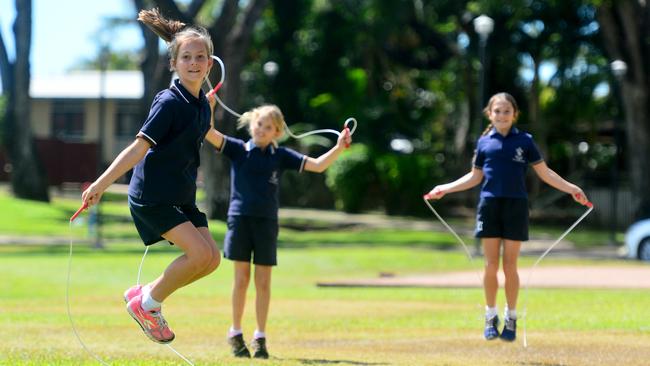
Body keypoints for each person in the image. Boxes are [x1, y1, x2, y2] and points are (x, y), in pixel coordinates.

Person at [81, 9, 221, 344]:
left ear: (210, 63)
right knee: (198, 255)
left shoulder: (202, 104)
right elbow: (138, 148)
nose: (193, 63)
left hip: (181, 197)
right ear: (174, 63)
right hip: (154, 197)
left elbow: (205, 133)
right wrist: (101, 184)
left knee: (212, 260)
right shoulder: (168, 102)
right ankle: (147, 305)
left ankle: (145, 293)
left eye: (200, 57)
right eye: (185, 57)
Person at [425, 92, 589, 342]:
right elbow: (474, 177)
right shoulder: (484, 143)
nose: (502, 115)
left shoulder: (525, 141)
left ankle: (511, 315)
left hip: (516, 206)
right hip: (490, 206)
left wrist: (571, 188)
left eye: (506, 111)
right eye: (497, 111)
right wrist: (444, 188)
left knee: (509, 265)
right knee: (490, 264)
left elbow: (545, 173)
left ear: (515, 114)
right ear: (490, 114)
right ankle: (490, 315)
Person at [203, 105, 352, 358]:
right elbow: (208, 131)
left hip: (266, 222)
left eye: (268, 127)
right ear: (252, 125)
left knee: (263, 282)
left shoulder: (280, 155)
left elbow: (317, 165)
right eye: (259, 124)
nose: (262, 129)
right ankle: (235, 333)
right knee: (241, 280)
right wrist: (207, 107)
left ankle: (260, 337)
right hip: (239, 220)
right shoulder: (238, 149)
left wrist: (339, 148)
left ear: (277, 132)